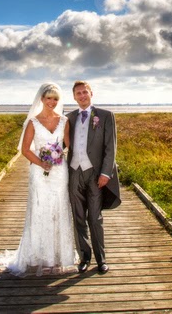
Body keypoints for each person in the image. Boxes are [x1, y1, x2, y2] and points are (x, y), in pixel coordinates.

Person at [0, 83, 77, 276]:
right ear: (42, 99)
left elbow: (69, 145)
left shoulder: (64, 121)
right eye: (49, 98)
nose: (52, 102)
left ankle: (59, 256)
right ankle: (39, 256)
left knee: (58, 209)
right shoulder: (33, 122)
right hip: (39, 172)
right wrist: (41, 163)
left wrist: (60, 155)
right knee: (40, 209)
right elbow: (25, 150)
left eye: (55, 99)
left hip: (60, 171)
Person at [67, 80, 121, 275]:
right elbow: (60, 144)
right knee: (78, 217)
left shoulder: (105, 116)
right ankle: (84, 257)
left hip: (96, 174)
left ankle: (101, 259)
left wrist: (106, 173)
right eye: (78, 93)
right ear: (73, 96)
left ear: (91, 94)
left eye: (85, 92)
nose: (82, 96)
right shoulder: (69, 118)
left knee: (95, 218)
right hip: (74, 173)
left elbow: (110, 148)